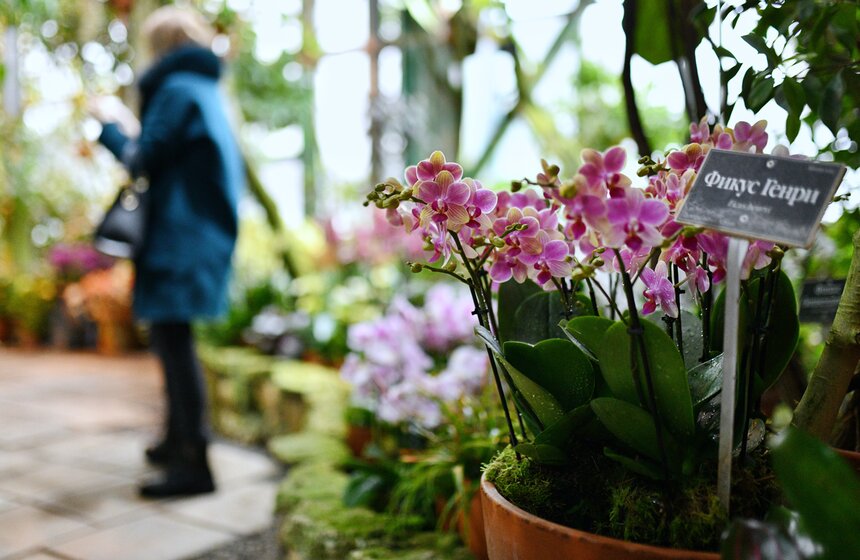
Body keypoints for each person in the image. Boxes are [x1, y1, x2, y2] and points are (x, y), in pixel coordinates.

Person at [89, 6, 243, 498]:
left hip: (180, 237)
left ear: (160, 46)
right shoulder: (206, 89)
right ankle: (176, 440)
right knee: (171, 338)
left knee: (175, 344)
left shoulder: (175, 89)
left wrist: (110, 126)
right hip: (201, 234)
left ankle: (194, 465)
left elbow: (141, 159)